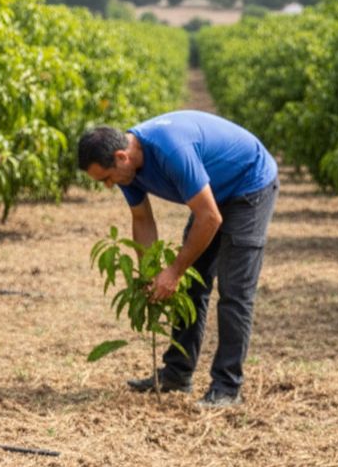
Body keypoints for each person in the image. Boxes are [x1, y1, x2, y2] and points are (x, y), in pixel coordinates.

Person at [78, 110, 279, 408]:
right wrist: (151, 273)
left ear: (121, 156)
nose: (109, 186)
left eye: (107, 179)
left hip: (249, 185)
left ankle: (226, 387)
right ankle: (176, 374)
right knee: (191, 287)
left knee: (235, 292)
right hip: (212, 194)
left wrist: (172, 270)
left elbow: (209, 217)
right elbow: (142, 218)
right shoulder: (128, 169)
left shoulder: (171, 150)